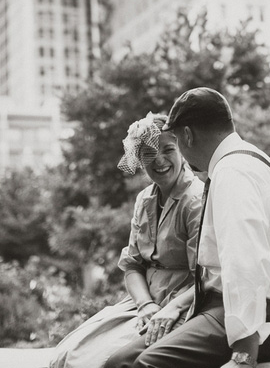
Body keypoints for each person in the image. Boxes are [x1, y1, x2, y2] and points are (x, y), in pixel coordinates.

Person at [105, 87, 270, 368]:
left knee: (147, 365)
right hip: (241, 307)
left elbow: (245, 262)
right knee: (121, 362)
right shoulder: (245, 159)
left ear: (186, 135)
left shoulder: (231, 173)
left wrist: (243, 355)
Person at [49, 112, 204, 368]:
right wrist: (144, 304)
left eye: (168, 149)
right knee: (69, 353)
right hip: (142, 301)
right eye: (148, 153)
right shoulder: (144, 200)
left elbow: (204, 277)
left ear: (182, 151)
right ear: (139, 160)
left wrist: (166, 309)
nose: (160, 160)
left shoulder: (195, 200)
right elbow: (132, 265)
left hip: (181, 303)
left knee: (110, 361)